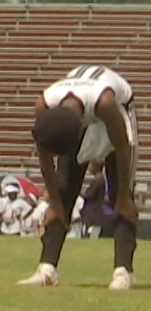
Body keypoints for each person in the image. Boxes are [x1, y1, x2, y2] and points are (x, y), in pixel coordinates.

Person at [18, 65, 138, 291]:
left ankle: (123, 271)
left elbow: (122, 148)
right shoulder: (44, 106)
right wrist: (54, 201)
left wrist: (123, 195)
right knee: (64, 190)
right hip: (82, 112)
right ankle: (47, 268)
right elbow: (45, 157)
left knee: (120, 193)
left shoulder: (105, 102)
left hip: (118, 114)